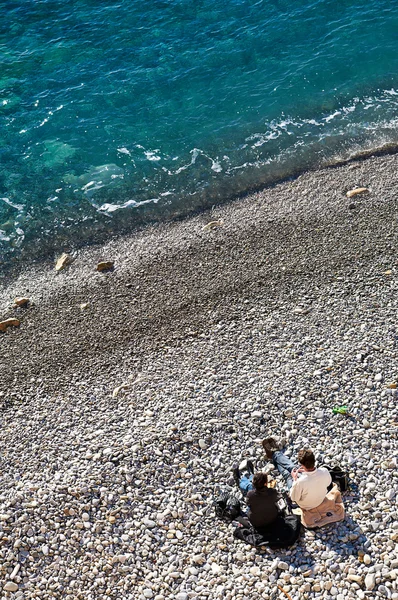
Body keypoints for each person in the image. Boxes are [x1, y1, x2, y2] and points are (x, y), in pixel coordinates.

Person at [262, 439, 332, 510]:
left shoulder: (299, 482)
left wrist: (295, 479)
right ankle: (275, 455)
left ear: (302, 465)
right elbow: (328, 483)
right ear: (314, 460)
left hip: (305, 505)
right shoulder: (325, 471)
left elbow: (294, 498)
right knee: (293, 469)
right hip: (320, 500)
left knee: (288, 475)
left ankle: (275, 454)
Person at [232, 462, 281, 529]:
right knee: (251, 487)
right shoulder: (272, 492)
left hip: (256, 523)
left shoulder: (250, 494)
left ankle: (241, 480)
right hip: (272, 518)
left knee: (249, 486)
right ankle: (251, 474)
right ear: (266, 483)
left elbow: (248, 504)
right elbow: (277, 498)